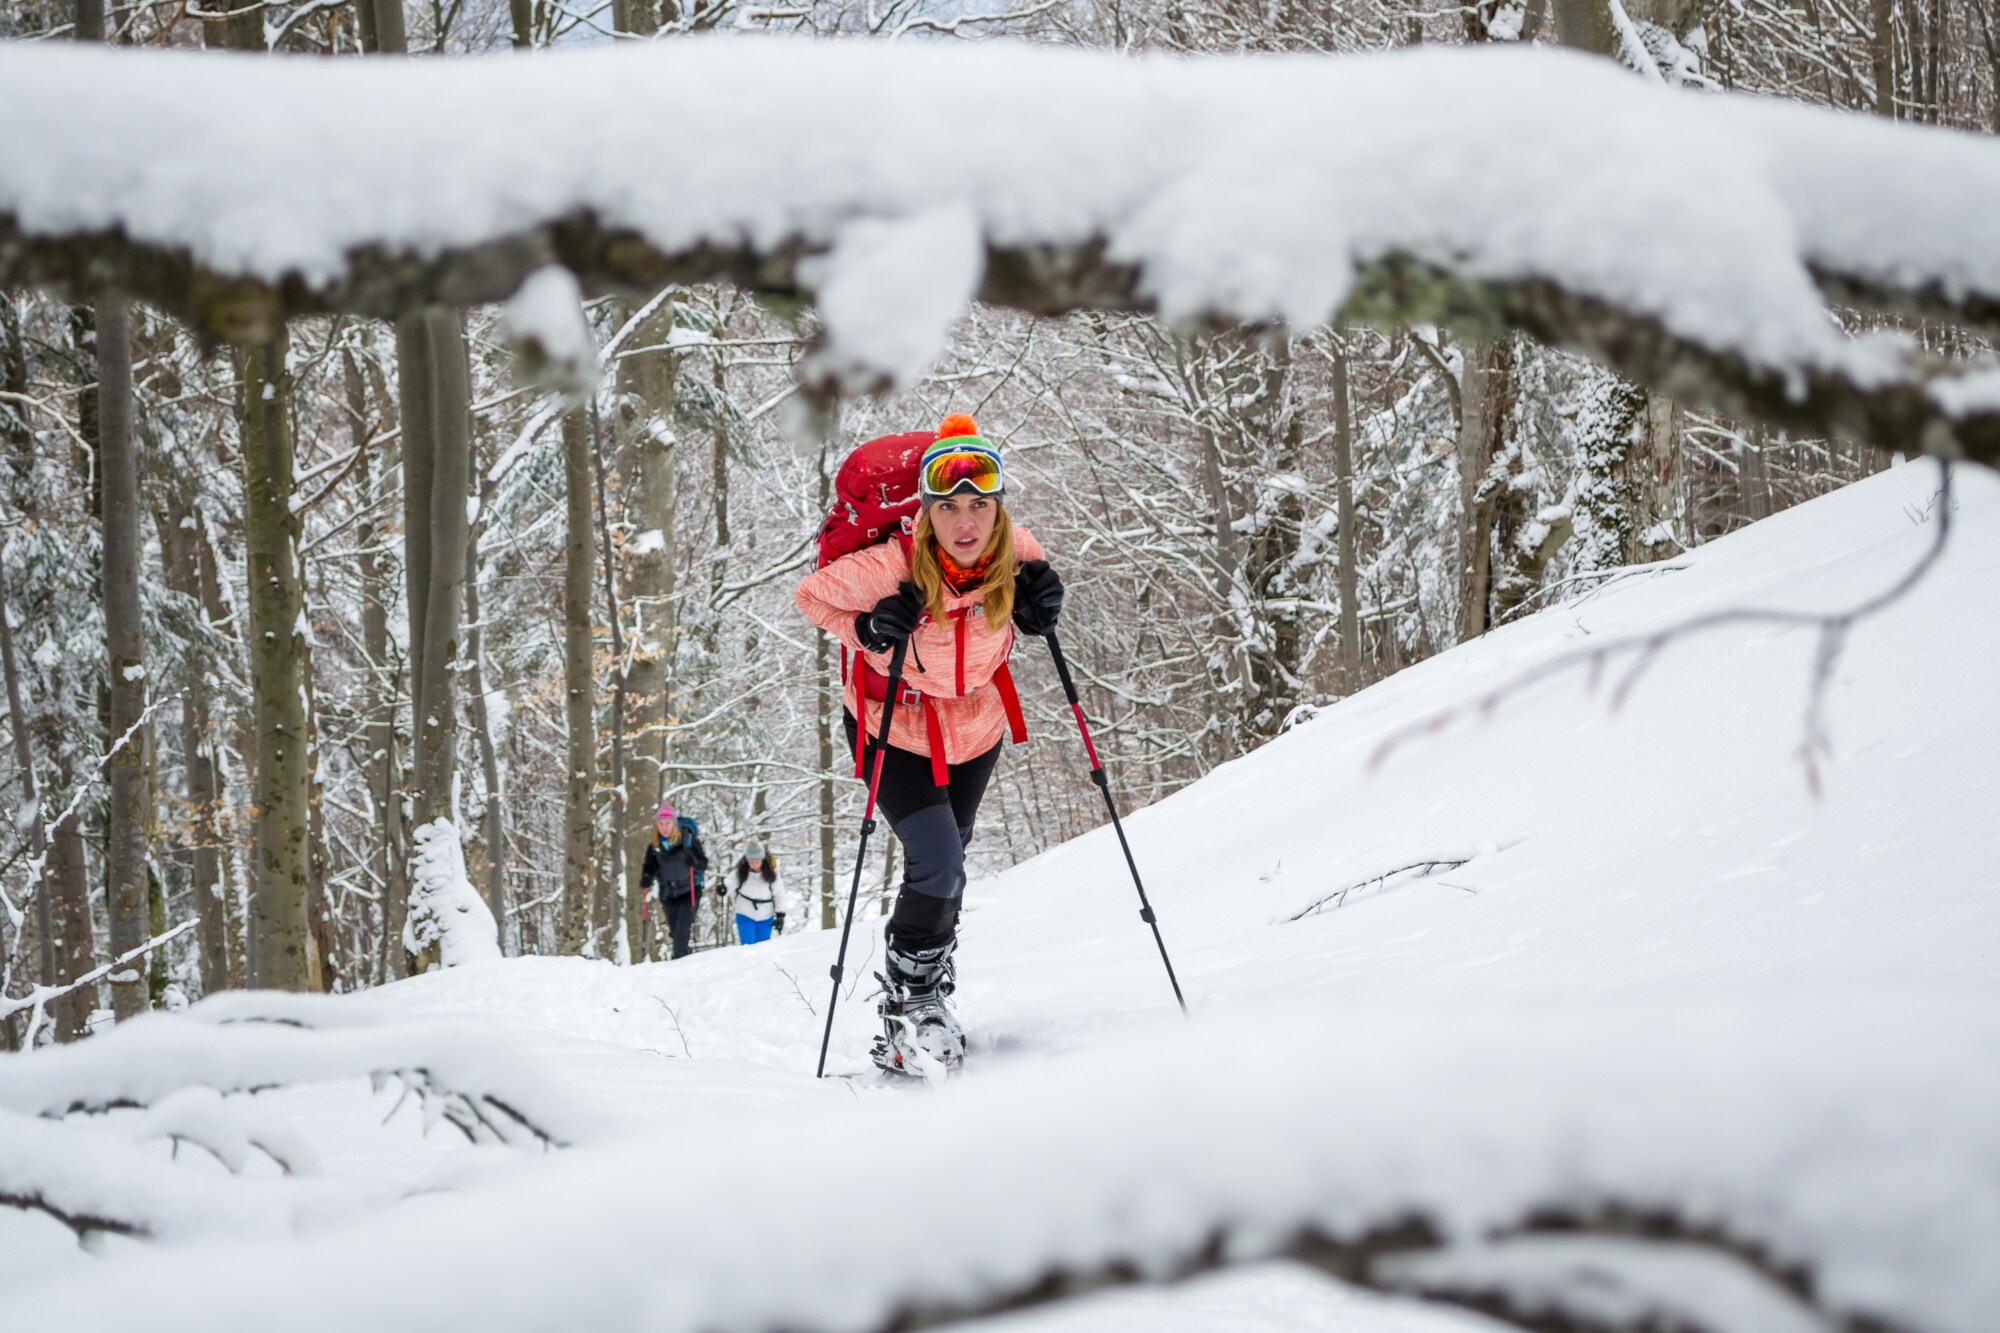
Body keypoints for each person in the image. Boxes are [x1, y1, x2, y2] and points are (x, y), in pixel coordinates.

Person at [795, 413, 1065, 1072]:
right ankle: (908, 1005)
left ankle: (924, 993)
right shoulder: (892, 565)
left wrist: (1043, 603)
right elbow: (812, 598)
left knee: (948, 867)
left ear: (996, 509)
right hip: (895, 729)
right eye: (948, 507)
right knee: (939, 859)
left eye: (979, 504)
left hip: (975, 729)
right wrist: (868, 627)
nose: (966, 522)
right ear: (927, 511)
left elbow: (1039, 593)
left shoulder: (1017, 550)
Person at [640, 803, 709, 960]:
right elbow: (649, 866)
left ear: (674, 824)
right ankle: (686, 958)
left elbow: (703, 863)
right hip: (669, 894)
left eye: (668, 823)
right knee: (674, 932)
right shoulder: (655, 846)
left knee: (681, 935)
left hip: (690, 891)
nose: (664, 827)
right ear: (656, 825)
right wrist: (646, 878)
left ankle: (680, 965)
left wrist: (694, 862)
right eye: (661, 824)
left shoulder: (688, 840)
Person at [730, 841, 789, 945]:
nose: (754, 865)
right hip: (744, 913)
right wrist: (723, 888)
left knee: (762, 947)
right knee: (747, 945)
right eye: (751, 862)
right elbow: (730, 882)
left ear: (762, 860)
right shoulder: (741, 872)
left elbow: (779, 894)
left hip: (766, 916)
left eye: (757, 862)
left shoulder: (772, 874)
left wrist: (780, 914)